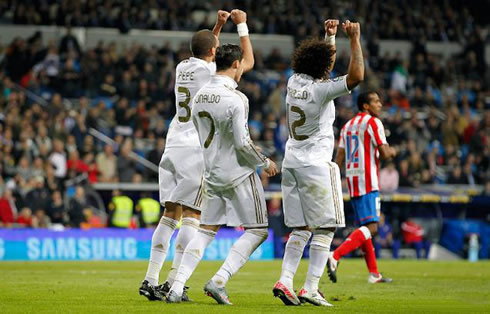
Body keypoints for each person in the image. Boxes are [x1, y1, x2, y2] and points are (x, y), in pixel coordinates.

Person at [139, 9, 255, 301]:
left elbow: (204, 47)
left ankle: (150, 279)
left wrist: (217, 25)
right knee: (194, 214)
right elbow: (247, 62)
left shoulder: (182, 67)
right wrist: (240, 26)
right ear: (214, 53)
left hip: (173, 143)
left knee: (170, 214)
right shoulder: (211, 72)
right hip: (195, 147)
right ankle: (175, 282)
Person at [166, 42, 278, 305]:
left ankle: (176, 286)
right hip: (239, 172)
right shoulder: (237, 99)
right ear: (237, 64)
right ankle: (219, 280)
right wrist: (264, 161)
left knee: (205, 231)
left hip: (212, 173)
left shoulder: (200, 95)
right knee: (258, 230)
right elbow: (241, 143)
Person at [274, 20, 364, 307]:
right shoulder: (321, 90)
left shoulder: (293, 82)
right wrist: (354, 39)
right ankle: (310, 287)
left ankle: (285, 281)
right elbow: (356, 76)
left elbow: (322, 67)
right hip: (316, 165)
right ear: (323, 67)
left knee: (301, 228)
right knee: (326, 228)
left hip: (291, 164)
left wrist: (330, 36)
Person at [327, 91, 397, 284]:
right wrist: (393, 152)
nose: (380, 104)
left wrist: (332, 181)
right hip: (369, 180)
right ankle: (335, 255)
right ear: (365, 105)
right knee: (372, 228)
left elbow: (338, 159)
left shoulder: (347, 126)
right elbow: (384, 153)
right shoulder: (373, 123)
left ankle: (374, 274)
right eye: (376, 101)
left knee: (364, 228)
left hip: (353, 182)